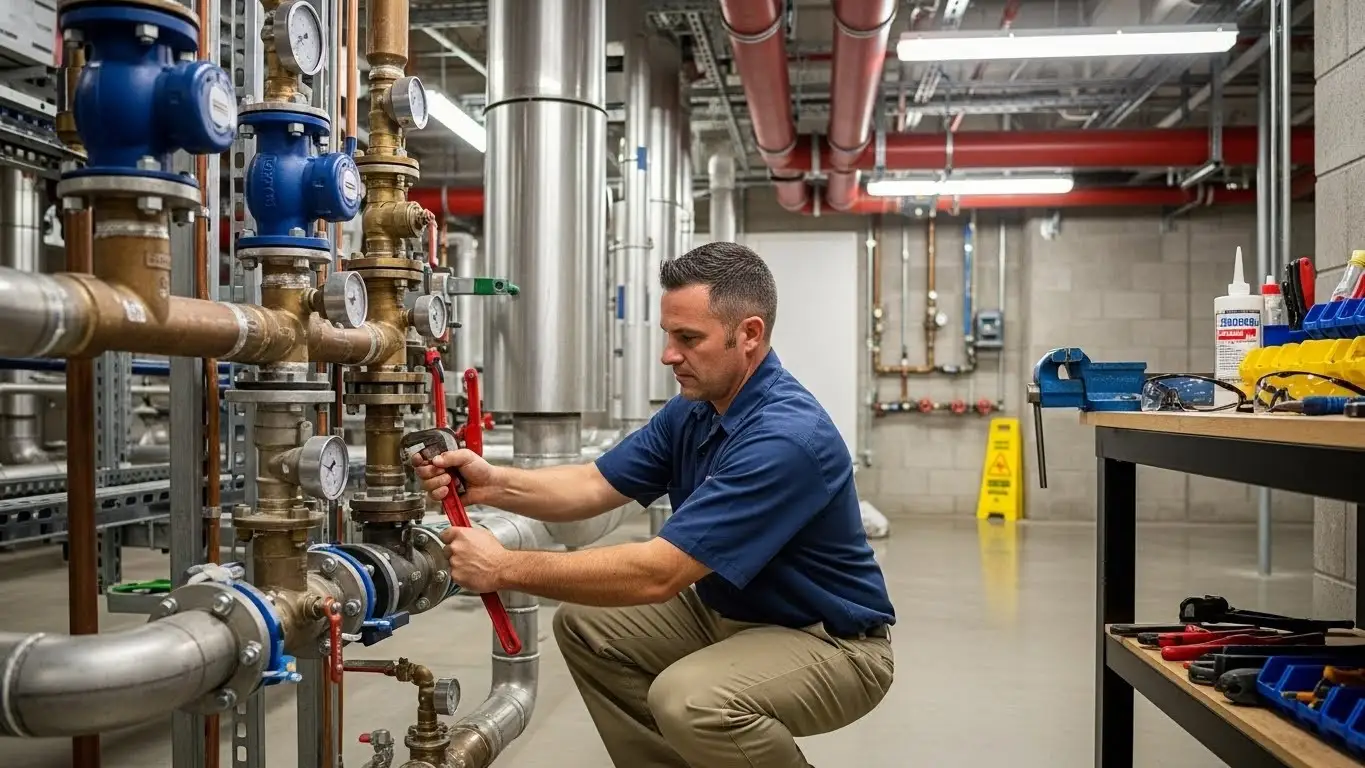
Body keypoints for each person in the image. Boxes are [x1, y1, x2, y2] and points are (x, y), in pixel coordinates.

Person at [413, 241, 895, 767]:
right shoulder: (697, 409)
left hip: (830, 642)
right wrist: (491, 484)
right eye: (669, 335)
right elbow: (596, 484)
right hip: (729, 610)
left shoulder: (785, 438)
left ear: (749, 334)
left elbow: (657, 574)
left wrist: (502, 566)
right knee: (587, 628)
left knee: (692, 701)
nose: (669, 355)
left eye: (688, 338)